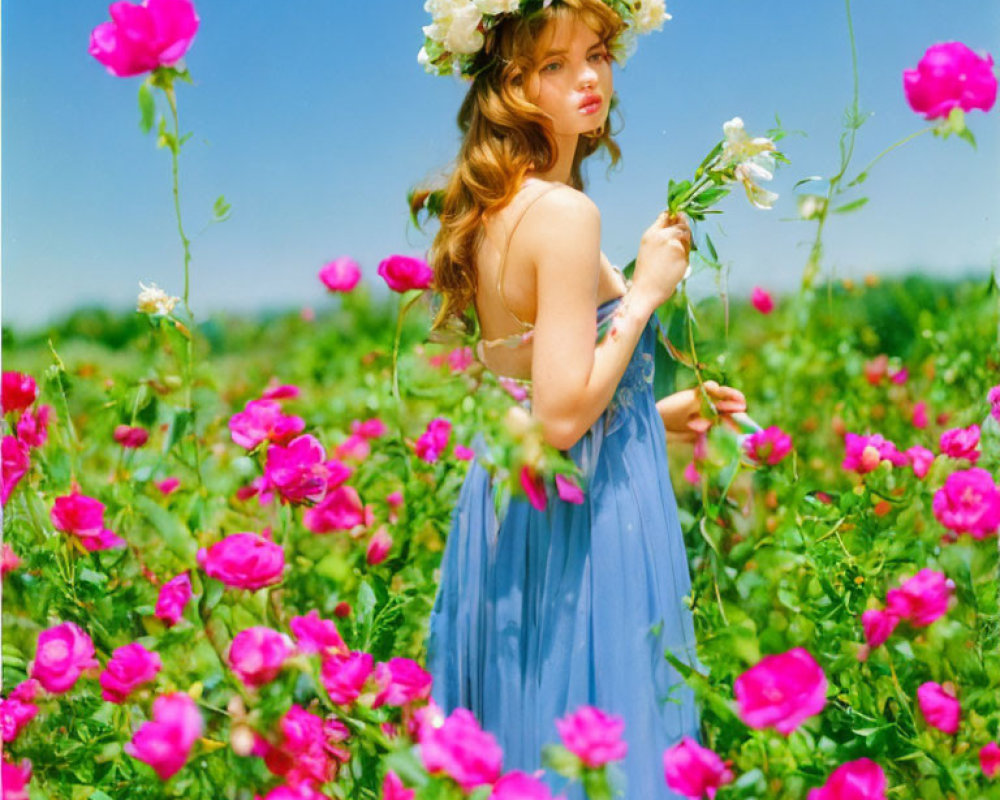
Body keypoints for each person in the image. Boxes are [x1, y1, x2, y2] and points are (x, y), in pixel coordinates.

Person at [419, 1, 746, 797]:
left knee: (526, 729)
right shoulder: (564, 213)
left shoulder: (504, 207)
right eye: (554, 66)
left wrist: (652, 416)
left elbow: (540, 388)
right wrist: (644, 293)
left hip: (515, 505)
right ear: (511, 85)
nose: (588, 78)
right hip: (582, 519)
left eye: (596, 53)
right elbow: (564, 415)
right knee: (604, 741)